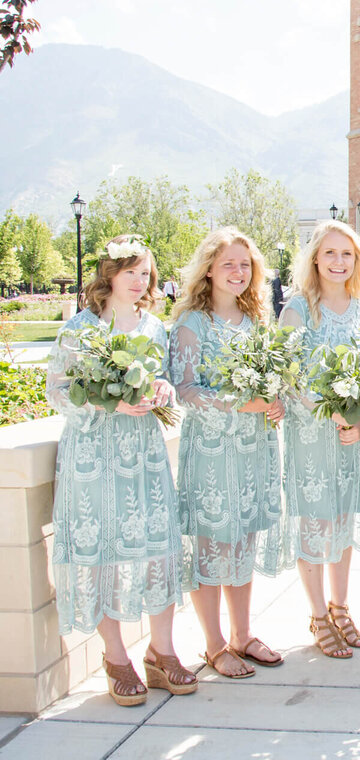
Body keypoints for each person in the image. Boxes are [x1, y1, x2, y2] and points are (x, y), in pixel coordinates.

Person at [47, 235, 197, 706]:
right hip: (93, 454)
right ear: (109, 275)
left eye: (146, 272)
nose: (140, 281)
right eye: (130, 271)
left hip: (144, 454)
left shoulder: (156, 328)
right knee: (104, 552)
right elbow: (57, 391)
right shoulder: (81, 328)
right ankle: (116, 657)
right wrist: (107, 402)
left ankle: (162, 650)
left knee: (159, 548)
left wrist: (162, 394)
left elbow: (168, 382)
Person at [170, 228, 287, 679]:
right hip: (212, 452)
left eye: (245, 265)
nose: (238, 273)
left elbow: (268, 375)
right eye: (229, 265)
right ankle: (214, 644)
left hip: (253, 447)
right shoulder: (191, 324)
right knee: (212, 543)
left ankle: (243, 634)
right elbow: (185, 390)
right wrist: (241, 402)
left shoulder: (256, 319)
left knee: (242, 540)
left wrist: (273, 399)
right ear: (209, 271)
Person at [279, 220, 360, 659]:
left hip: (349, 436)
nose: (338, 262)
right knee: (315, 522)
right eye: (330, 254)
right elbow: (287, 373)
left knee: (342, 522)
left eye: (347, 255)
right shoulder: (299, 309)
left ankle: (342, 609)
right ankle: (318, 615)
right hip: (310, 433)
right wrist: (330, 410)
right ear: (315, 259)